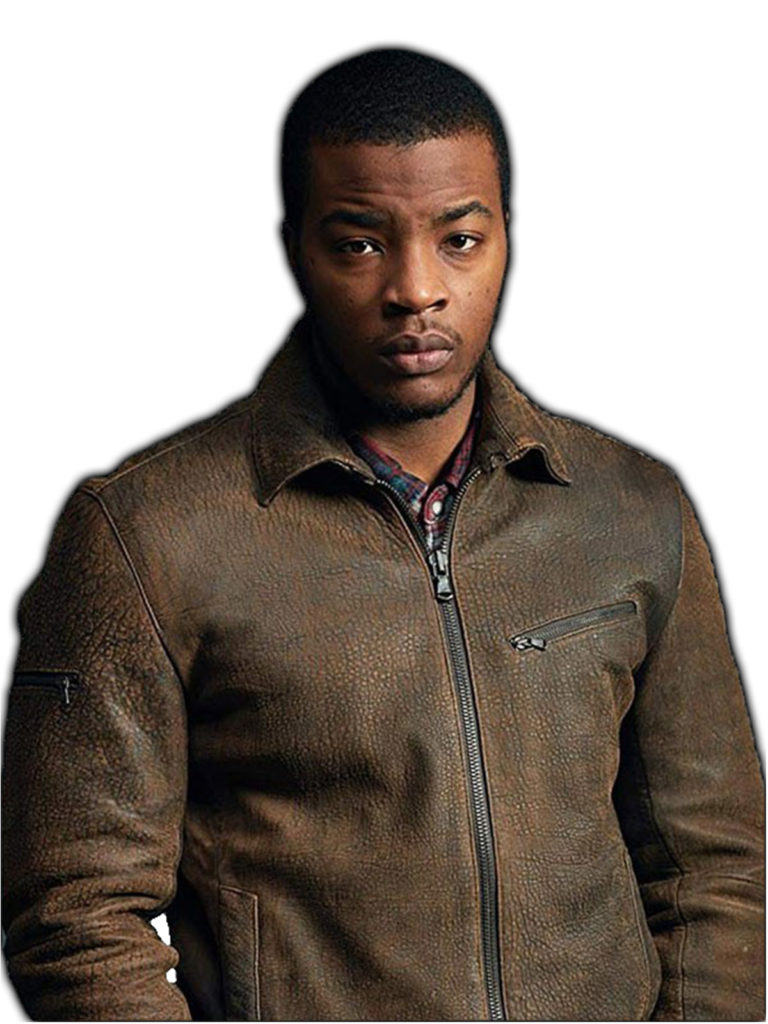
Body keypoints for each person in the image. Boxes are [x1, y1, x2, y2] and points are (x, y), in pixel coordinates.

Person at [1, 45, 764, 1022]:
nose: (416, 289)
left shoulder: (629, 507)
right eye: (360, 244)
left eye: (460, 239)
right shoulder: (145, 535)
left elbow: (717, 870)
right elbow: (75, 912)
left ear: (506, 237)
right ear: (297, 248)